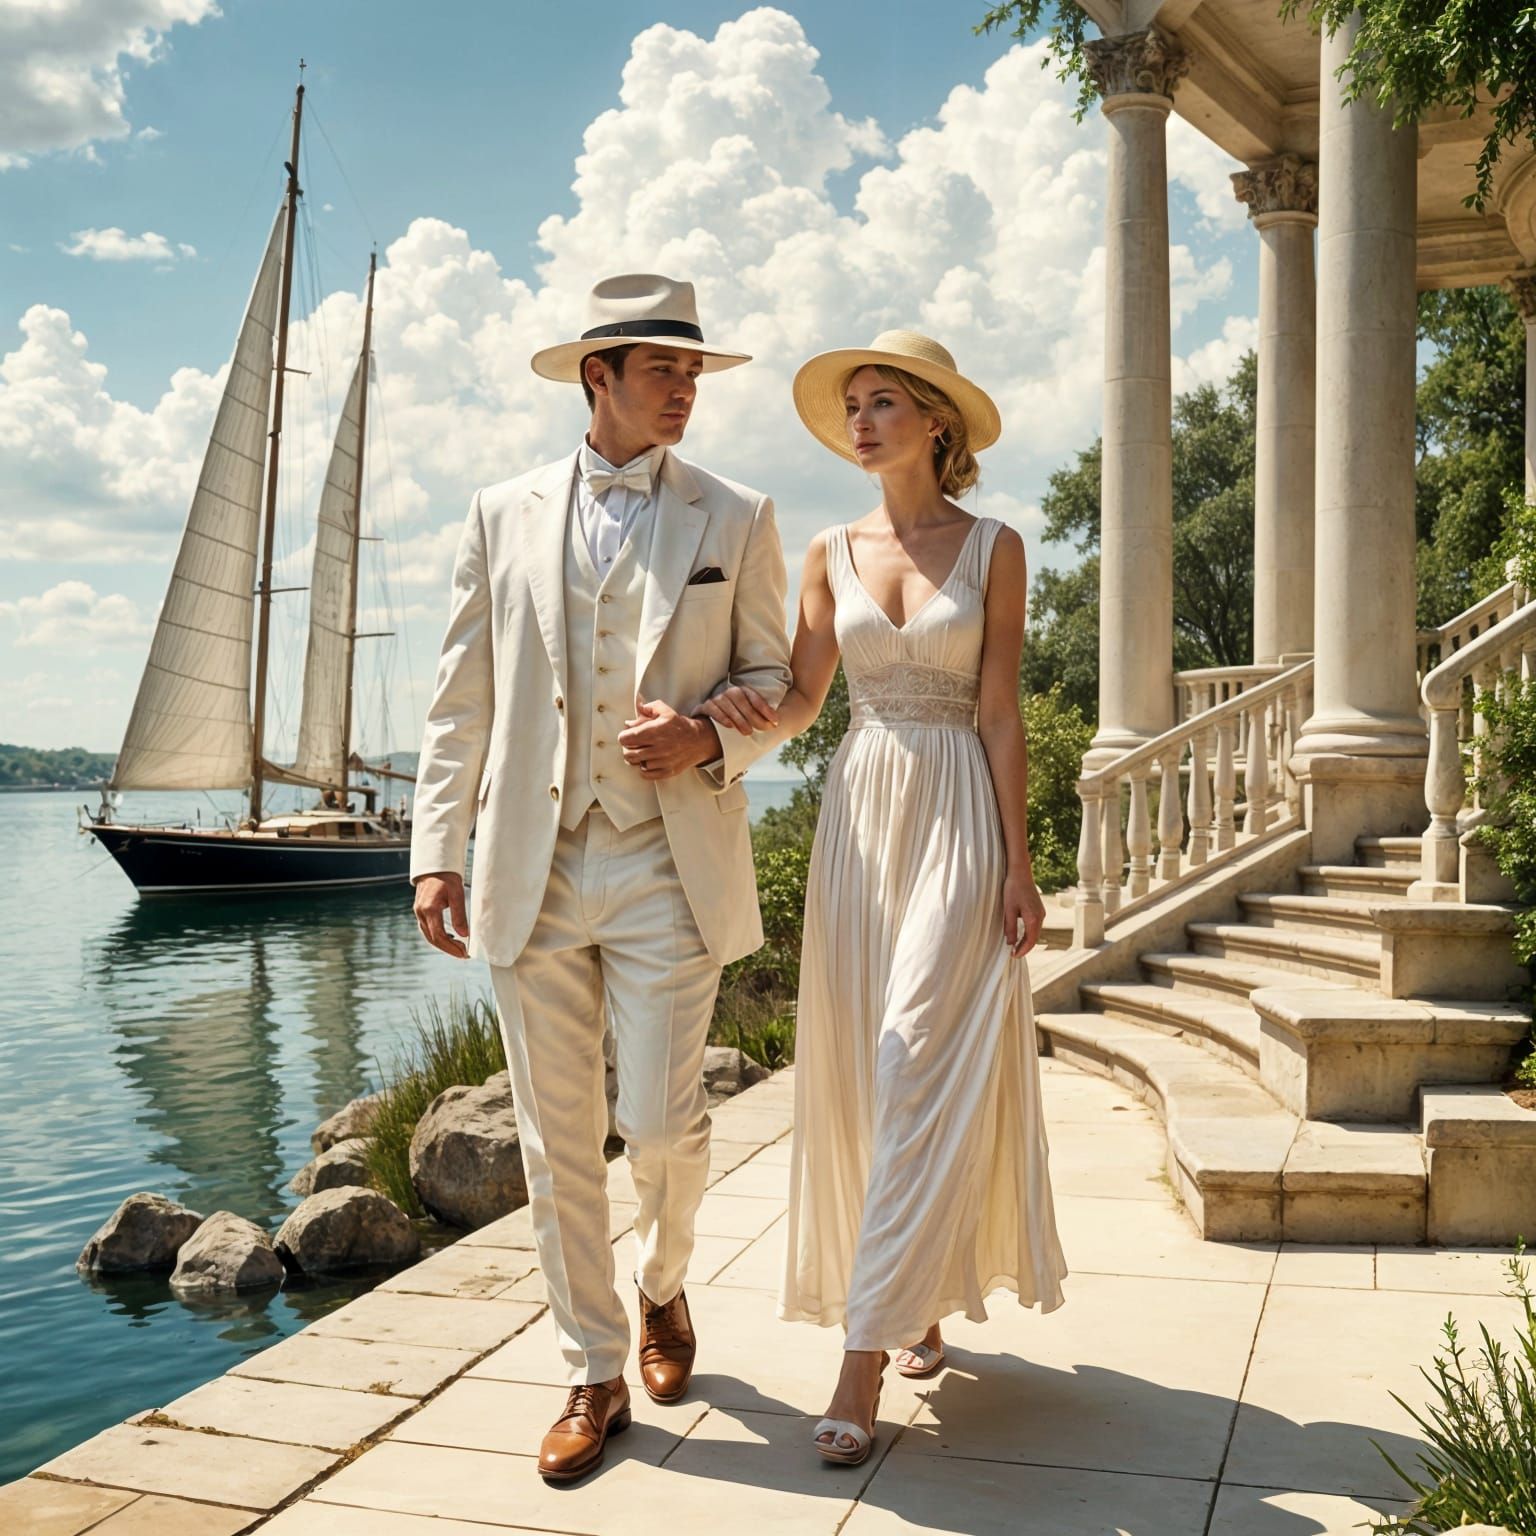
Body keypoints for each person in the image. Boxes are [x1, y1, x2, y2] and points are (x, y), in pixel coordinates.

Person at [410, 274, 792, 1484]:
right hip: (528, 864)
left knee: (664, 1125)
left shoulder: (739, 514)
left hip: (667, 857)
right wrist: (436, 853)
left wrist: (709, 736)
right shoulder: (499, 513)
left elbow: (777, 680)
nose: (685, 391)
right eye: (663, 371)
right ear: (598, 377)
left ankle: (663, 1283)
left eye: (693, 373)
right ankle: (591, 1370)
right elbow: (460, 701)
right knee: (554, 1139)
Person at [701, 331, 1068, 1466]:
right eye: (854, 404)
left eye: (885, 403)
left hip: (958, 810)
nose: (861, 421)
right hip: (861, 820)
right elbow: (803, 700)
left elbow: (998, 712)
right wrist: (713, 725)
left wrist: (1019, 863)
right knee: (869, 1079)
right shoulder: (828, 550)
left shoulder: (996, 547)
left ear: (936, 423)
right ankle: (918, 1298)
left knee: (914, 1056)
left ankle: (859, 1360)